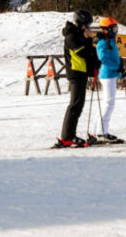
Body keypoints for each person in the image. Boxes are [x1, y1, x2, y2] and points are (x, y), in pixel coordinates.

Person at [55, 10, 98, 148]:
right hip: (76, 73)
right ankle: (67, 136)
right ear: (81, 23)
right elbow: (83, 52)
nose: (88, 27)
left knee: (78, 104)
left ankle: (69, 135)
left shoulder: (77, 34)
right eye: (87, 25)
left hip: (81, 72)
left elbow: (87, 50)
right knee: (75, 104)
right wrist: (90, 40)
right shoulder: (71, 36)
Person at [95, 17, 124, 143]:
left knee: (106, 103)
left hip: (111, 74)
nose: (115, 31)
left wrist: (120, 67)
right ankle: (101, 132)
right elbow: (104, 59)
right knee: (108, 103)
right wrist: (117, 67)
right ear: (107, 30)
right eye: (114, 28)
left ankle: (99, 131)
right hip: (107, 75)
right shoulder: (102, 42)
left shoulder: (109, 40)